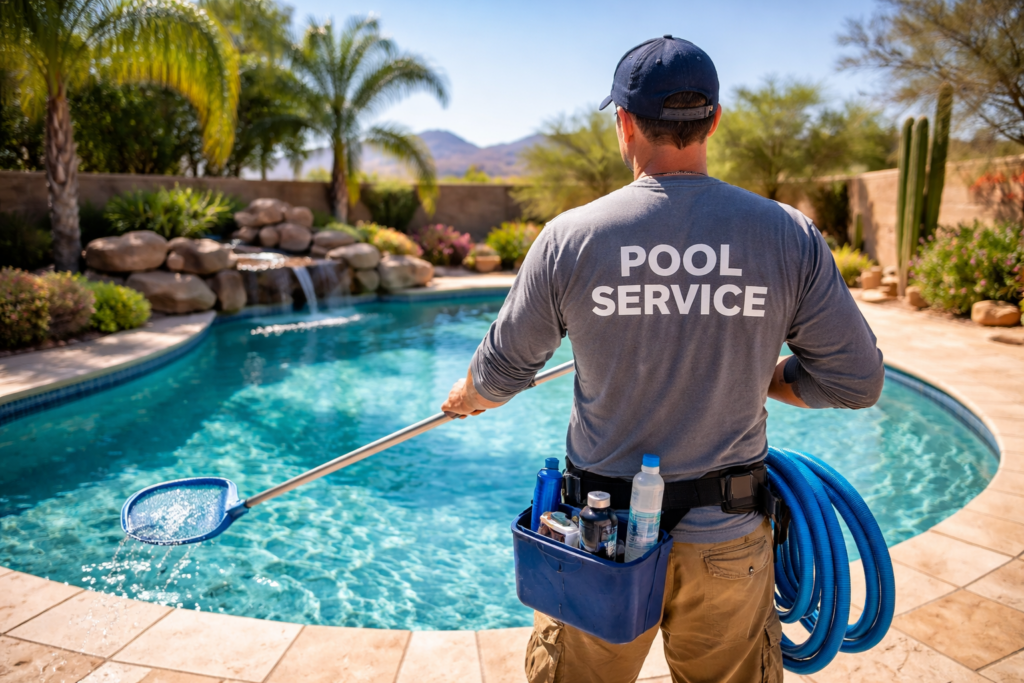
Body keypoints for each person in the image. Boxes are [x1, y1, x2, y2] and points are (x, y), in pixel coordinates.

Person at [441, 35, 884, 683]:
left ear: (624, 123)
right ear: (714, 120)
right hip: (728, 542)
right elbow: (855, 380)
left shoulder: (570, 238)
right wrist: (769, 379)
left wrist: (464, 397)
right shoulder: (788, 235)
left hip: (599, 544)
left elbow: (499, 376)